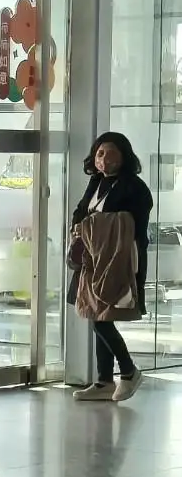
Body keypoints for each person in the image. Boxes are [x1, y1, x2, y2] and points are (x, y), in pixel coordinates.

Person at [69, 131, 152, 402]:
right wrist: (79, 226)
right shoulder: (96, 181)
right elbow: (82, 211)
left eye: (111, 153)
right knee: (96, 315)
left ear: (124, 156)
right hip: (91, 260)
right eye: (100, 153)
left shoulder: (135, 188)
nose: (104, 159)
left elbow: (132, 226)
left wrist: (93, 225)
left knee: (102, 320)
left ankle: (129, 372)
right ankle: (104, 381)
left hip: (118, 260)